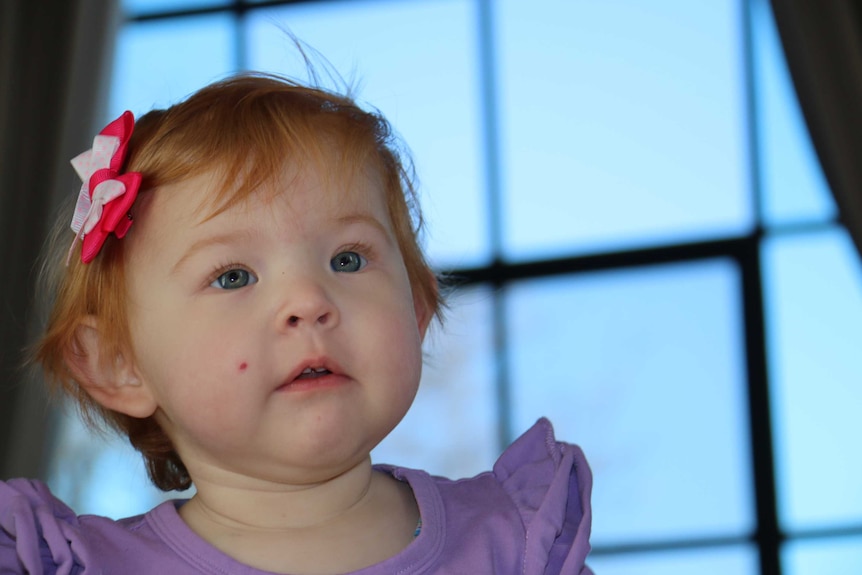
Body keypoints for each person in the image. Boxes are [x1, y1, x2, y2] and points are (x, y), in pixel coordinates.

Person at [0, 71, 593, 574]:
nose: (309, 300)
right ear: (118, 363)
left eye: (347, 260)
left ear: (415, 309)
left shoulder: (516, 545)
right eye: (233, 275)